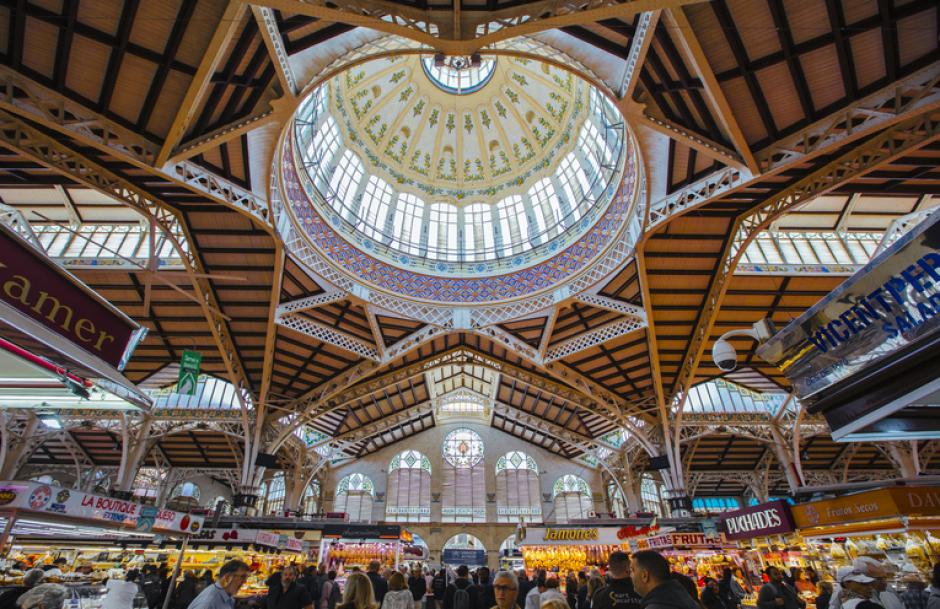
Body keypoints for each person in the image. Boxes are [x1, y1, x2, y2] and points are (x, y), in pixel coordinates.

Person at [629, 551, 700, 609]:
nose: (630, 576)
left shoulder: (658, 605)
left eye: (632, 571)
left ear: (644, 575)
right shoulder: (681, 597)